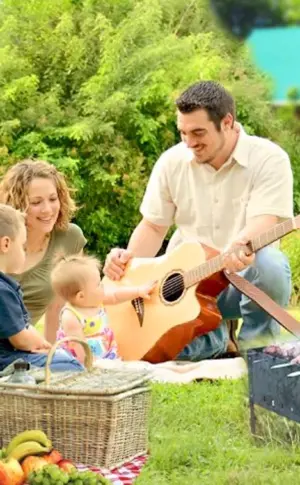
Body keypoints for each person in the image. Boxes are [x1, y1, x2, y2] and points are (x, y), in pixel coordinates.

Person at [103, 80, 293, 361]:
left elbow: (265, 219)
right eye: (183, 133)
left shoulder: (268, 158)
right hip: (185, 285)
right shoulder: (171, 162)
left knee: (271, 264)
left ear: (227, 122)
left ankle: (258, 350)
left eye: (198, 132)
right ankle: (217, 338)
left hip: (240, 277)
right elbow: (154, 226)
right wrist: (128, 267)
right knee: (156, 353)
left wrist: (241, 244)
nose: (189, 142)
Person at [0, 159, 87, 344]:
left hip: (26, 350)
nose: (47, 209)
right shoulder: (4, 241)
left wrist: (52, 357)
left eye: (53, 199)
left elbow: (58, 308)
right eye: (36, 202)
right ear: (17, 205)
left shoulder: (69, 238)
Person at [0, 203, 83, 372]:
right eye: (23, 247)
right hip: (7, 361)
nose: (25, 253)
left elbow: (23, 326)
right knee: (71, 365)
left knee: (59, 358)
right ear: (6, 244)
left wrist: (42, 344)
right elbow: (21, 339)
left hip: (11, 357)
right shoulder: (2, 290)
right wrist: (42, 346)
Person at [50, 254, 156, 365]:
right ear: (81, 296)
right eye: (98, 284)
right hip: (82, 361)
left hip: (105, 352)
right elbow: (78, 346)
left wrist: (138, 291)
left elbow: (116, 295)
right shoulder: (71, 316)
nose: (102, 286)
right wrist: (91, 364)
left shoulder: (95, 300)